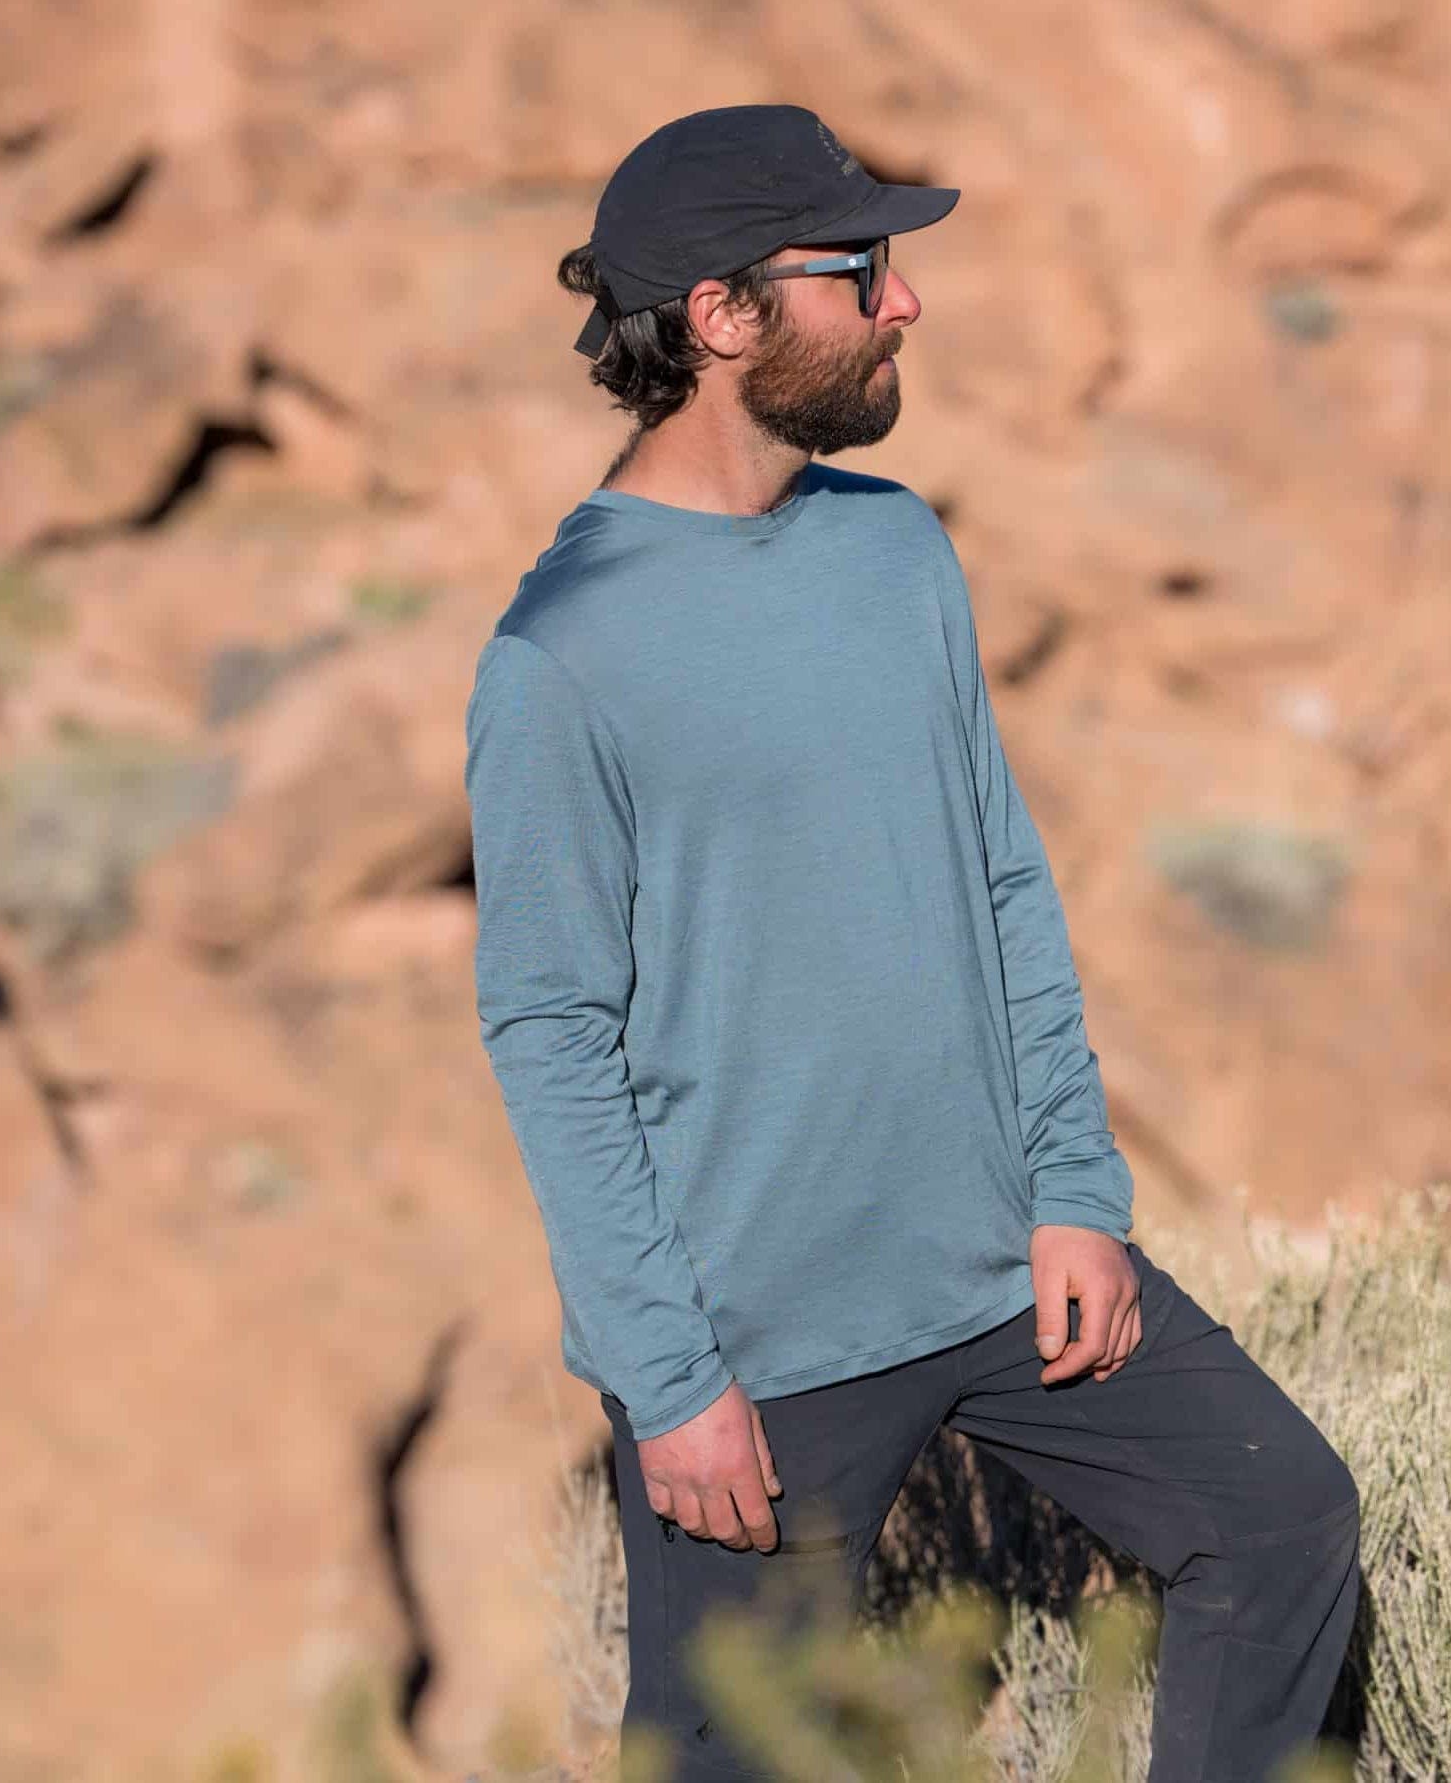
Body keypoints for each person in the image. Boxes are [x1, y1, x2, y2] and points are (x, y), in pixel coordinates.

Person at [463, 104, 1360, 1782]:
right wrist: (670, 1382)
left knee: (1282, 1516)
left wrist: (1075, 1194)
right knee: (742, 1754)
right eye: (859, 269)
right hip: (760, 1352)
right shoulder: (559, 659)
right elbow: (551, 1034)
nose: (904, 302)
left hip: (1000, 1272)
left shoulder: (896, 546)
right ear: (725, 318)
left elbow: (1002, 880)